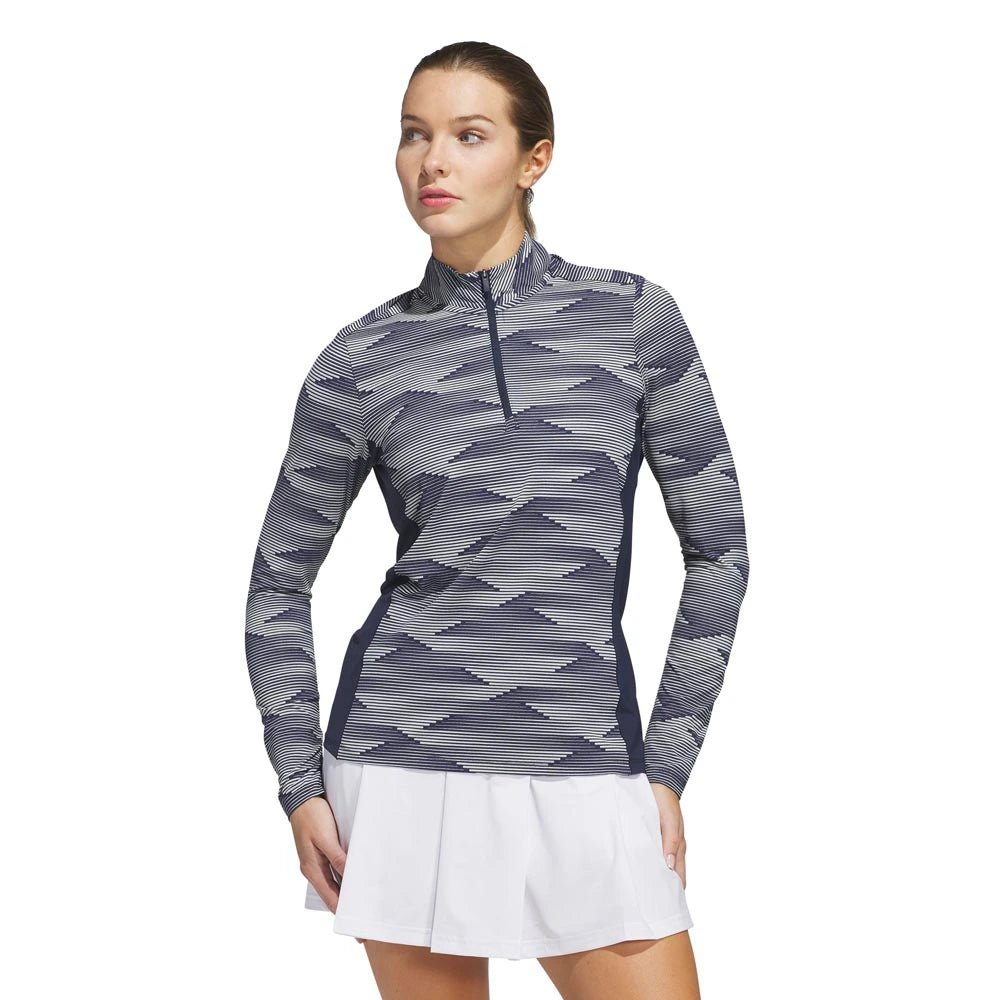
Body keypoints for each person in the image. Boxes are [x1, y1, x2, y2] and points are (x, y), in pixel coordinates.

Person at [244, 40, 749, 1000]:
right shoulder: (360, 358)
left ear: (533, 159)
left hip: (584, 756)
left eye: (468, 135)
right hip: (400, 763)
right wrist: (300, 785)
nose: (432, 161)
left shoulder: (632, 318)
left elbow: (719, 551)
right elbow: (277, 585)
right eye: (413, 135)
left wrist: (667, 766)